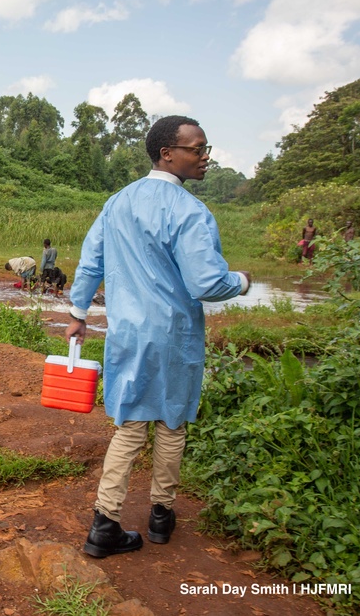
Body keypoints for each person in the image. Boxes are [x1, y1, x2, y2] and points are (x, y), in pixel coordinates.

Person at [65, 115, 250, 558]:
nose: (205, 158)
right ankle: (161, 517)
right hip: (174, 335)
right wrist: (240, 281)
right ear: (168, 153)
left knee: (129, 425)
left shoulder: (117, 203)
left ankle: (105, 522)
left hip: (127, 332)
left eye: (206, 149)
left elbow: (92, 260)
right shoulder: (189, 211)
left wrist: (78, 313)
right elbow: (206, 283)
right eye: (197, 149)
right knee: (171, 424)